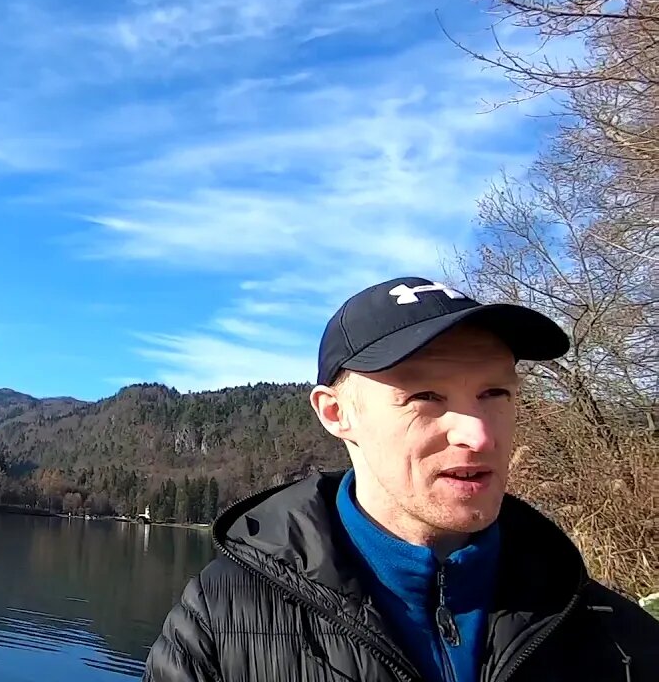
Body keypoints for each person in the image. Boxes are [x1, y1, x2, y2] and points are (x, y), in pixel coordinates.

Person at [143, 277, 659, 682]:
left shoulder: (613, 634)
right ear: (336, 413)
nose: (478, 436)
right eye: (425, 398)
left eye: (495, 394)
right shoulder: (223, 620)